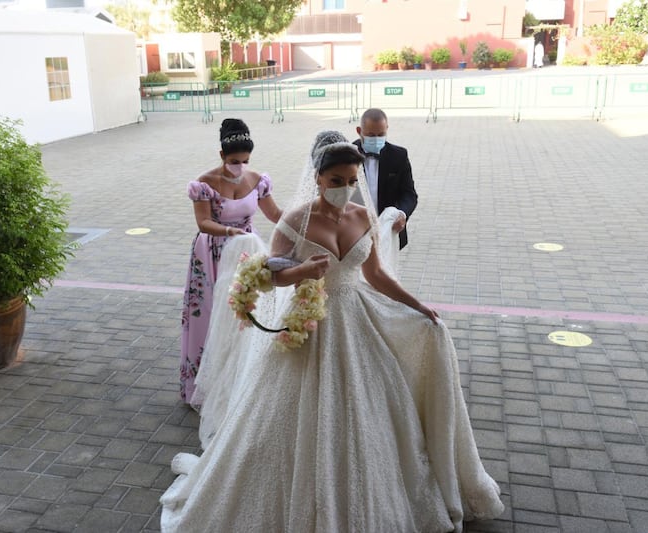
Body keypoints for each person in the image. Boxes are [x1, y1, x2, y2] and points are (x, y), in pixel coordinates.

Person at [161, 130, 505, 532]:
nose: (345, 189)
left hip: (357, 319)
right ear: (319, 178)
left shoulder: (362, 217)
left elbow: (375, 274)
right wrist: (302, 271)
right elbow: (270, 277)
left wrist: (416, 304)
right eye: (337, 181)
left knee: (373, 404)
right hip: (310, 325)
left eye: (352, 181)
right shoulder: (294, 220)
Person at [179, 118, 281, 409]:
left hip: (247, 251)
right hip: (213, 252)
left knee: (247, 314)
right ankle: (206, 384)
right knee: (211, 314)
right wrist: (228, 231)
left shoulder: (257, 180)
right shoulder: (204, 184)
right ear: (221, 155)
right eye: (234, 161)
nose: (240, 167)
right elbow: (203, 222)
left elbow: (274, 213)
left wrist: (304, 218)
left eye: (245, 161)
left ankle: (244, 379)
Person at [353, 107, 418, 250]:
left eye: (381, 134)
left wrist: (402, 213)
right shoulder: (347, 154)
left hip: (388, 233)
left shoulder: (399, 156)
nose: (376, 139)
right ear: (359, 131)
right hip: (354, 234)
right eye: (370, 135)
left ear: (387, 129)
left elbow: (409, 194)